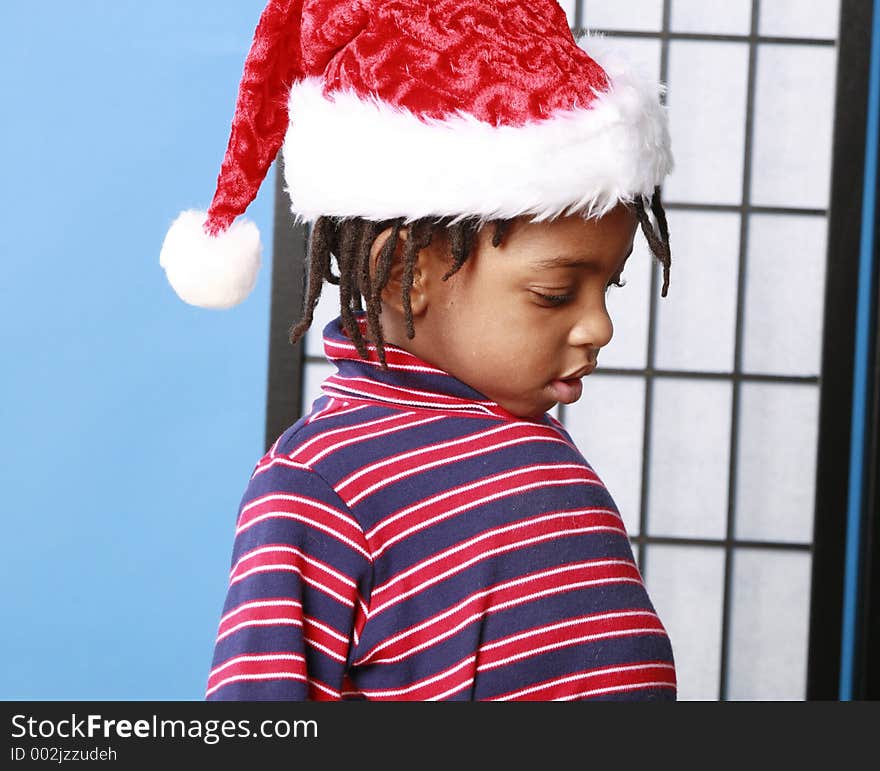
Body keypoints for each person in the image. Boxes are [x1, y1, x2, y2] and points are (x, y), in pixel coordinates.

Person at [160, 0, 676, 700]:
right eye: (557, 293)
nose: (599, 327)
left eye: (606, 287)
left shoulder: (538, 452)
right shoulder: (319, 488)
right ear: (405, 274)